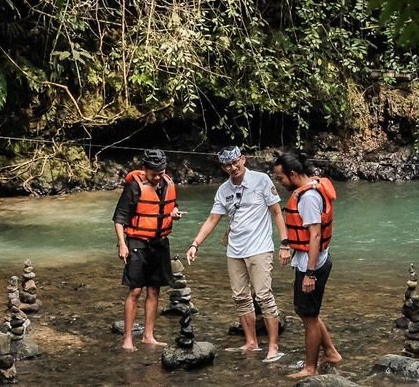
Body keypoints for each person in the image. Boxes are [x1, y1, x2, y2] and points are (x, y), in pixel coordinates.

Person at [186, 146, 289, 363]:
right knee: (240, 297)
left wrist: (285, 243)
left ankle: (273, 346)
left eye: (235, 162)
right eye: (227, 165)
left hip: (260, 248)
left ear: (243, 159)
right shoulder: (223, 190)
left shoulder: (261, 180)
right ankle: (251, 342)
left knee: (264, 297)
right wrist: (195, 244)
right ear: (223, 167)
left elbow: (277, 212)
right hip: (235, 250)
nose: (233, 168)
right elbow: (213, 219)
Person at [273, 153, 342, 378]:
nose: (280, 182)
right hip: (309, 261)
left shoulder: (309, 197)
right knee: (306, 312)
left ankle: (310, 368)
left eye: (281, 178)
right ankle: (331, 353)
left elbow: (314, 236)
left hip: (313, 264)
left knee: (309, 317)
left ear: (293, 174)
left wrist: (310, 273)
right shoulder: (310, 187)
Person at [112, 149, 185, 351]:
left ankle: (148, 336)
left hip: (159, 243)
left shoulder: (167, 183)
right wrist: (122, 243)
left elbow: (170, 208)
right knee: (135, 290)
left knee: (154, 290)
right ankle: (127, 339)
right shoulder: (134, 187)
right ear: (145, 170)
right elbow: (119, 219)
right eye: (154, 174)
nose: (158, 177)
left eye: (161, 172)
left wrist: (175, 214)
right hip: (137, 243)